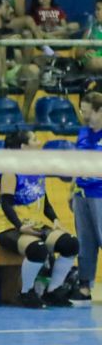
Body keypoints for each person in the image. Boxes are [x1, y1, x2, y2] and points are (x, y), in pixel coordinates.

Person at [0, 130, 79, 307]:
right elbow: (6, 204)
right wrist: (20, 226)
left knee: (71, 244)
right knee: (38, 249)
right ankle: (26, 293)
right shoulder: (10, 172)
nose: (40, 142)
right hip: (10, 228)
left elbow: (44, 201)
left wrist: (55, 220)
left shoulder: (38, 169)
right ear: (23, 147)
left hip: (36, 225)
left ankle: (53, 291)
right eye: (35, 139)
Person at [68, 92, 102, 302]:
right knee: (85, 242)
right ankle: (84, 286)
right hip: (82, 194)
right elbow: (77, 162)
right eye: (82, 110)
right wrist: (72, 190)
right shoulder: (82, 132)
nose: (83, 115)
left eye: (87, 112)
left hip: (100, 194)